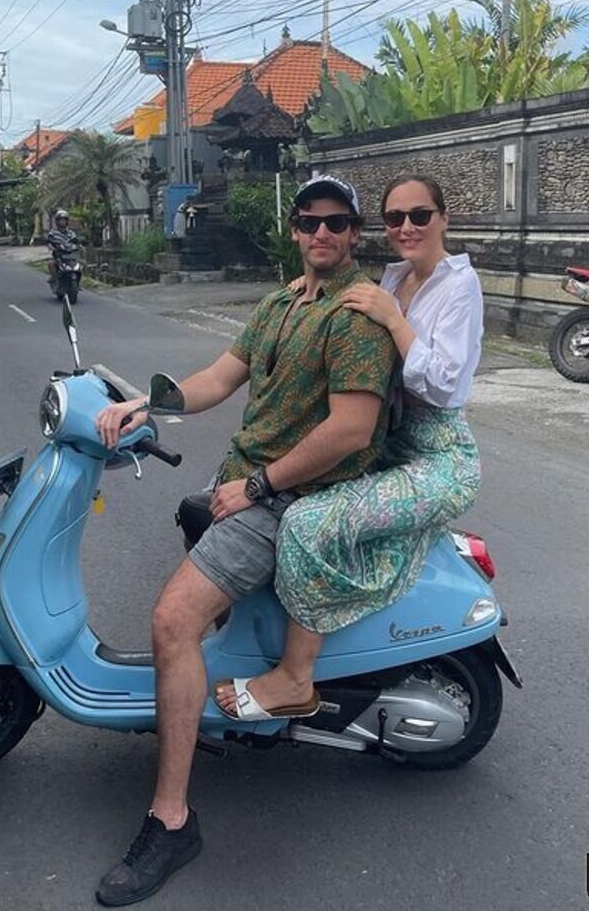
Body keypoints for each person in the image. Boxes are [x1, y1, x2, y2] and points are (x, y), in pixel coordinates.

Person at [92, 175, 397, 906]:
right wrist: (147, 402)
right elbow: (220, 378)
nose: (322, 233)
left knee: (171, 621)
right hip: (249, 483)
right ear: (293, 229)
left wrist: (258, 489)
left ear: (355, 233)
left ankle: (171, 820)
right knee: (190, 520)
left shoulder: (355, 316)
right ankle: (211, 685)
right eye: (309, 221)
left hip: (289, 499)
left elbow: (351, 430)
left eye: (336, 222)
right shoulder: (280, 302)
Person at [214, 173, 483, 721]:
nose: (407, 227)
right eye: (395, 218)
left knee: (308, 523)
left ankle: (294, 679)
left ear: (443, 218)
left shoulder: (459, 285)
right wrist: (304, 288)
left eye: (420, 215)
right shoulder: (396, 275)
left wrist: (392, 319)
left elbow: (441, 386)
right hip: (391, 446)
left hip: (437, 456)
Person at [47, 208, 80, 283]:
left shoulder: (71, 233)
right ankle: (55, 278)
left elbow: (76, 241)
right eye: (61, 220)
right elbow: (49, 242)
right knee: (51, 263)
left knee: (80, 265)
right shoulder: (53, 233)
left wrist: (80, 246)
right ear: (57, 221)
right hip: (58, 255)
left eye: (64, 220)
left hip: (70, 255)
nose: (62, 222)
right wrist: (51, 247)